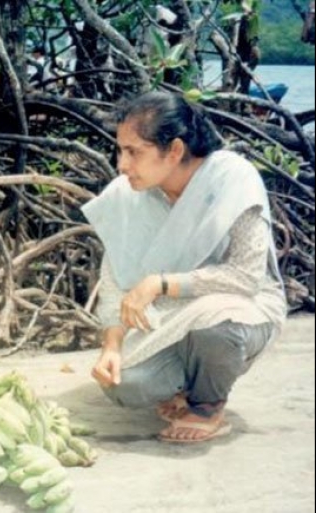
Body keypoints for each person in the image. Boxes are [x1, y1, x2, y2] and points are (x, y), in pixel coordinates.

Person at [82, 91, 287, 443]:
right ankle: (188, 386)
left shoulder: (231, 181)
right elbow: (114, 278)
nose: (122, 165)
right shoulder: (127, 194)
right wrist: (112, 346)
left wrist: (161, 284)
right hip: (170, 317)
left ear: (175, 150)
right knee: (125, 387)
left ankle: (208, 405)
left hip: (242, 309)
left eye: (134, 152)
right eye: (120, 150)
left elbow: (246, 277)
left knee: (215, 325)